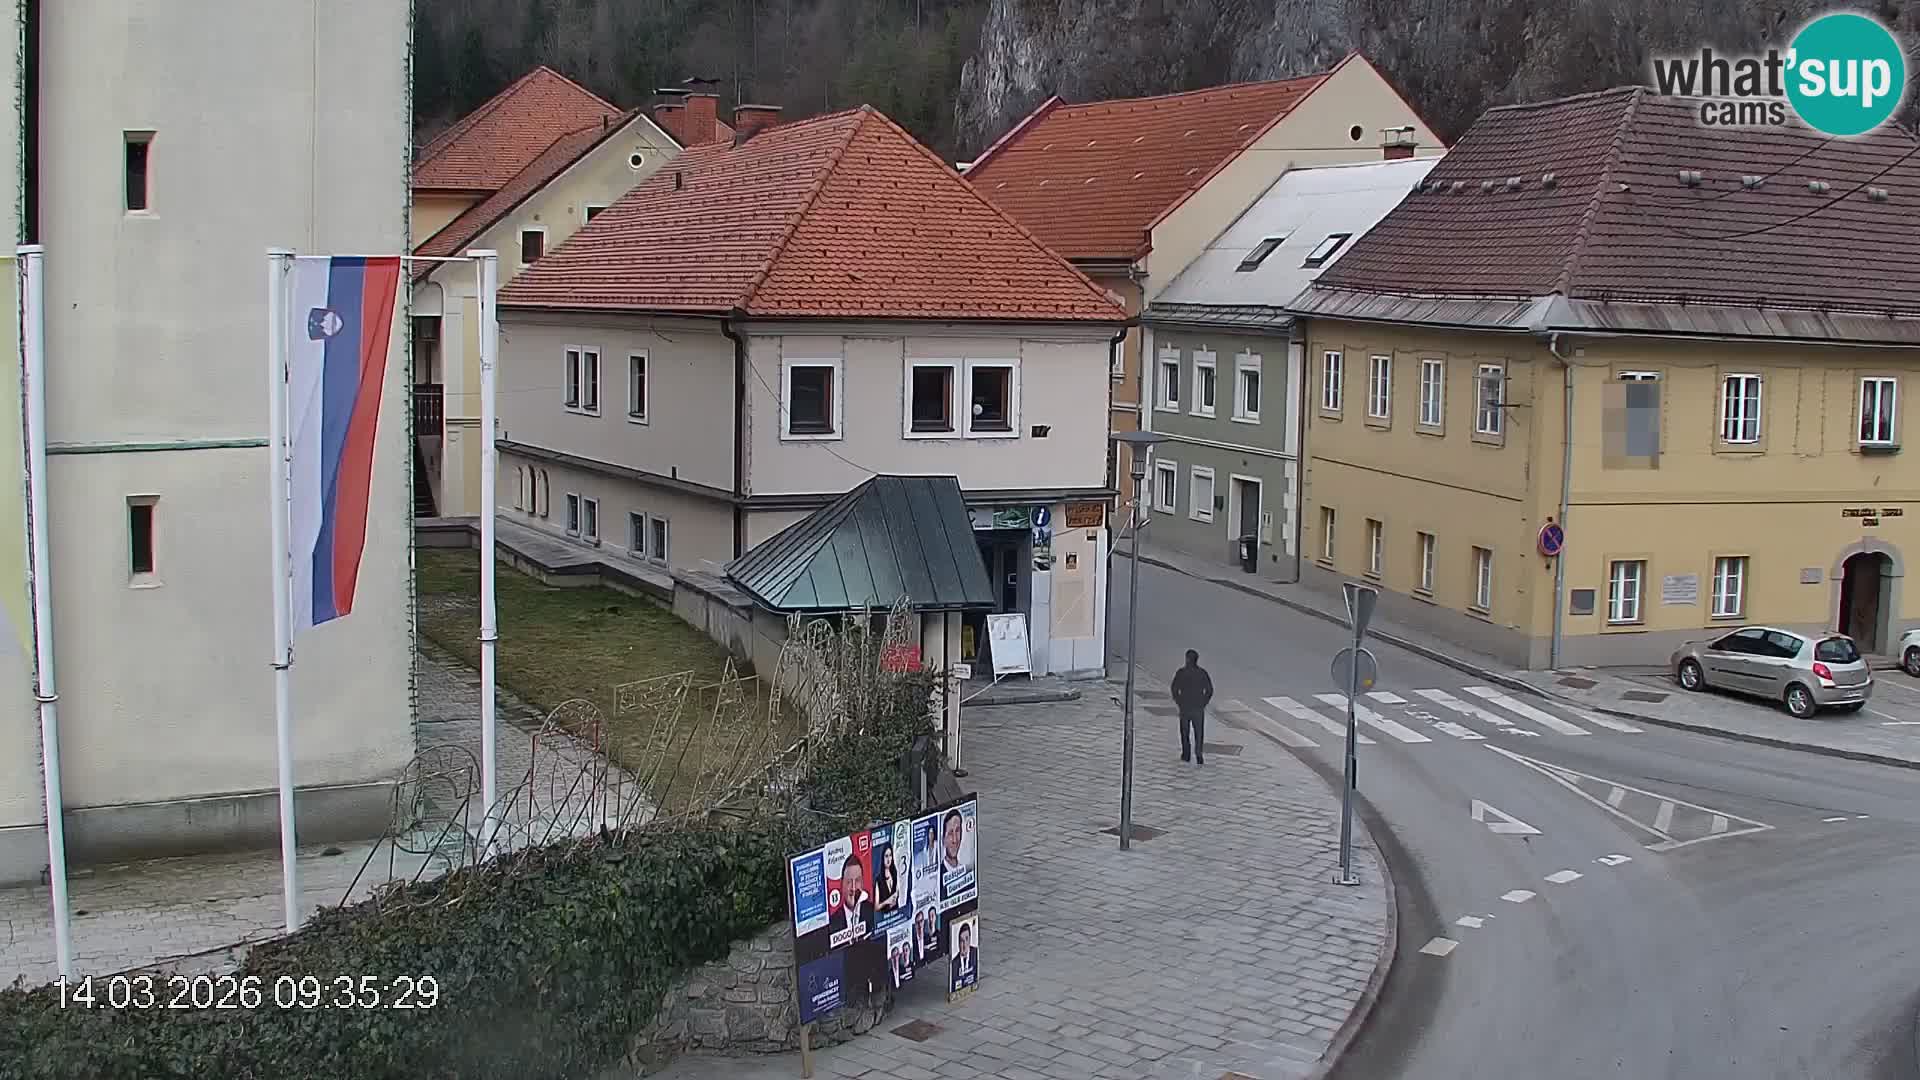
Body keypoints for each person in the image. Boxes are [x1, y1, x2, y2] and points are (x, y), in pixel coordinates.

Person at [1170, 648, 1213, 765]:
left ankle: (1186, 754)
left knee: (1185, 732)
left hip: (1185, 707)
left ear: (1187, 659)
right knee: (1199, 732)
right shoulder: (1202, 673)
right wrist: (1203, 703)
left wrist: (1179, 701)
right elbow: (1209, 690)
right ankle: (1199, 754)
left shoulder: (1181, 673)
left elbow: (1174, 688)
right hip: (1198, 708)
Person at [828, 854, 875, 938]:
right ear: (842, 884)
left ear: (862, 883)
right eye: (849, 882)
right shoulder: (832, 923)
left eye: (857, 881)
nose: (853, 888)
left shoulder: (874, 913)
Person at [950, 921, 977, 988]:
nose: (964, 945)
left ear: (970, 939)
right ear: (958, 943)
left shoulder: (975, 953)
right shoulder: (954, 963)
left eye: (967, 939)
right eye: (962, 941)